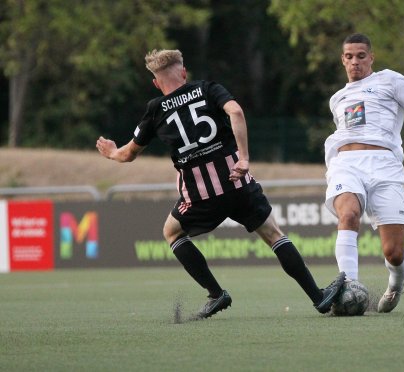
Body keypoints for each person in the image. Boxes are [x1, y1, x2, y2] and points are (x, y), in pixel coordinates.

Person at [96, 49, 345, 319]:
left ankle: (216, 294)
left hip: (200, 195)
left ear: (156, 83)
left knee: (172, 232)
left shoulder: (155, 109)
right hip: (237, 182)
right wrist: (245, 157)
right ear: (183, 72)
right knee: (273, 234)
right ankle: (318, 297)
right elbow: (236, 111)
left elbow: (128, 154)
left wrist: (110, 151)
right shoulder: (207, 89)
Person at [324, 33, 404, 313]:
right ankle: (348, 288)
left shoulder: (389, 80)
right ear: (343, 60)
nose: (355, 61)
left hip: (384, 165)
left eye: (361, 56)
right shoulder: (337, 99)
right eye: (349, 56)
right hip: (347, 162)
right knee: (348, 215)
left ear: (371, 57)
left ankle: (396, 282)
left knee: (393, 252)